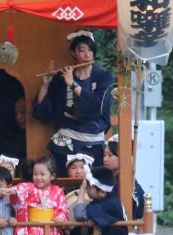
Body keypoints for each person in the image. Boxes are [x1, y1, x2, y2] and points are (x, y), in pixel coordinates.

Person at [32, 30, 114, 176]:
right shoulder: (61, 78)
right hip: (65, 142)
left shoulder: (104, 77)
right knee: (63, 183)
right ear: (73, 53)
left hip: (94, 142)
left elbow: (97, 105)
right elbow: (43, 113)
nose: (87, 54)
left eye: (90, 50)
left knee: (93, 185)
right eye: (81, 50)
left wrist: (72, 84)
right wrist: (45, 84)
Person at [53, 166, 126, 235]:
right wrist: (85, 225)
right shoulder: (101, 201)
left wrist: (82, 188)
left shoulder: (110, 204)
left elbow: (80, 214)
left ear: (102, 192)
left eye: (90, 188)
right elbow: (83, 219)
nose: (87, 189)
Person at [7, 155, 69, 235]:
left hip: (50, 229)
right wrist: (13, 191)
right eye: (35, 174)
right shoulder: (30, 187)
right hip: (31, 229)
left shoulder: (58, 191)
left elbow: (63, 209)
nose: (38, 177)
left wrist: (60, 218)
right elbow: (21, 188)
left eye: (42, 174)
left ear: (52, 176)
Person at [103, 134, 145, 221]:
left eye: (110, 155)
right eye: (104, 155)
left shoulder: (128, 183)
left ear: (122, 157)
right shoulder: (109, 180)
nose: (105, 159)